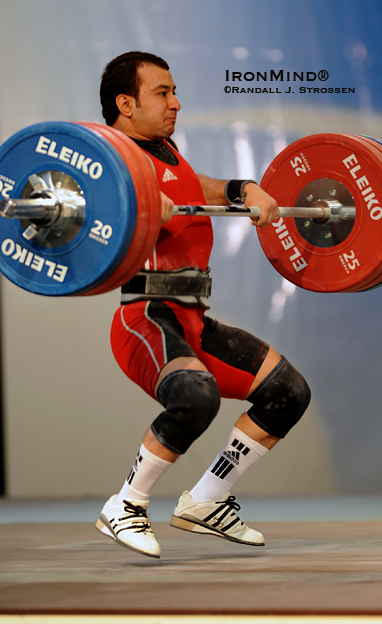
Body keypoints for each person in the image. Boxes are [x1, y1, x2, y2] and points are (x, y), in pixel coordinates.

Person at [96, 51, 311, 558]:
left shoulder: (163, 147)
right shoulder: (111, 160)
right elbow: (95, 211)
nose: (175, 103)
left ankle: (208, 498)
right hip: (145, 317)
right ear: (126, 103)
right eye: (162, 93)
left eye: (174, 92)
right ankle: (125, 503)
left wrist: (242, 189)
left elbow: (194, 188)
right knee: (196, 396)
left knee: (287, 392)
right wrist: (139, 203)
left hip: (191, 318)